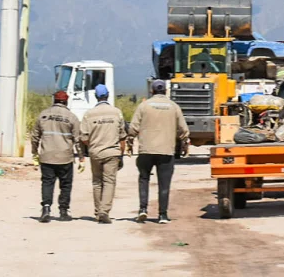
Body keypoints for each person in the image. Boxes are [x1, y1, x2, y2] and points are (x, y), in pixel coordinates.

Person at [128, 79, 190, 224]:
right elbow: (184, 130)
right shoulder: (174, 107)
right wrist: (183, 140)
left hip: (146, 150)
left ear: (152, 91)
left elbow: (133, 128)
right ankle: (162, 215)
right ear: (166, 91)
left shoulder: (143, 106)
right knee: (164, 183)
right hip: (166, 151)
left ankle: (143, 209)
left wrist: (131, 139)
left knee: (144, 179)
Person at [31, 91, 82, 223]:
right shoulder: (72, 117)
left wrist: (34, 153)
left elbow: (35, 136)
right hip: (65, 157)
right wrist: (81, 157)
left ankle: (46, 209)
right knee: (65, 184)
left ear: (54, 100)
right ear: (66, 101)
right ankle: (64, 211)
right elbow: (78, 140)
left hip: (47, 156)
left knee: (47, 183)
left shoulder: (43, 115)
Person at [80, 84, 127, 224]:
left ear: (96, 96)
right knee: (109, 182)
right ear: (107, 95)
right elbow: (122, 137)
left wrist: (93, 146)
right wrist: (121, 155)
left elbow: (84, 138)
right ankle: (104, 211)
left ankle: (97, 212)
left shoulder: (89, 114)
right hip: (112, 152)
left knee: (97, 182)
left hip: (95, 152)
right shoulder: (116, 112)